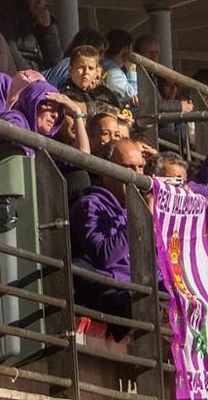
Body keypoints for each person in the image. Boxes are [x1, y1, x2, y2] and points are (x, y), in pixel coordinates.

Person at [70, 139, 147, 330]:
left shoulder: (141, 207)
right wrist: (139, 219)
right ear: (106, 172)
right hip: (121, 297)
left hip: (145, 295)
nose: (137, 176)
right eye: (128, 168)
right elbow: (105, 255)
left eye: (141, 167)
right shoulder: (90, 205)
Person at [0, 0, 62, 74]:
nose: (39, 2)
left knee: (67, 65)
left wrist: (47, 28)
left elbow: (55, 60)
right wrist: (29, 74)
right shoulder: (6, 10)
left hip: (39, 72)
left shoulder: (40, 17)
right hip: (19, 73)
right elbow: (9, 47)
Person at [101, 31, 160, 106]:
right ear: (126, 49)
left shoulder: (112, 69)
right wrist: (132, 70)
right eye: (151, 52)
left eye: (157, 53)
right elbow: (137, 99)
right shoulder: (113, 73)